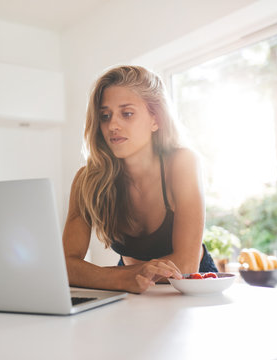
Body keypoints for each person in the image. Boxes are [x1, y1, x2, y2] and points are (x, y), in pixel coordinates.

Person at [63, 65, 217, 294]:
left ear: (155, 119)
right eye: (105, 116)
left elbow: (185, 266)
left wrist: (105, 276)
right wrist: (120, 279)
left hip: (191, 285)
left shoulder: (182, 163)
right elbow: (65, 266)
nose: (112, 125)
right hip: (127, 284)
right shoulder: (87, 180)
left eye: (127, 113)